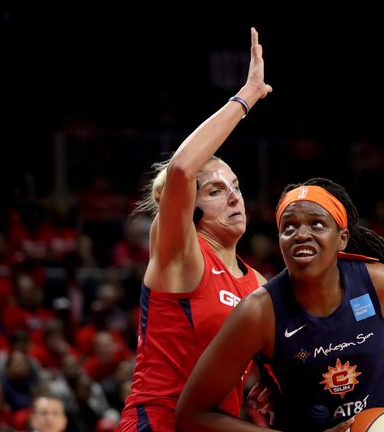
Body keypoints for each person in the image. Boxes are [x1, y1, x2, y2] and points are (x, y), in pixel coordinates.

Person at [177, 178, 384, 432]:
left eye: (317, 224)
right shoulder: (258, 312)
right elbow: (192, 414)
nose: (301, 234)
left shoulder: (378, 283)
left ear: (342, 238)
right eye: (289, 227)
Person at [116, 27, 272, 432]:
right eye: (217, 190)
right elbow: (183, 169)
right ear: (191, 208)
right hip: (157, 424)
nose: (235, 197)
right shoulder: (180, 254)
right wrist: (247, 96)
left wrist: (275, 384)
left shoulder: (256, 281)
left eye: (236, 186)